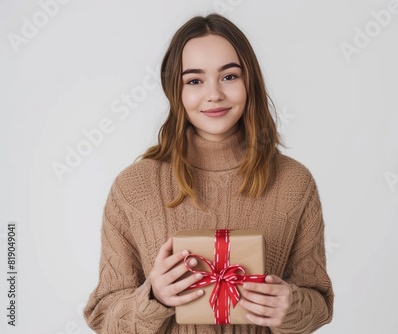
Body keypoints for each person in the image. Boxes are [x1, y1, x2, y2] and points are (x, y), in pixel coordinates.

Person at [84, 13, 333, 333]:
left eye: (229, 76)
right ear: (176, 90)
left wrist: (291, 304)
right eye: (195, 80)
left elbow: (320, 302)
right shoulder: (134, 187)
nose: (214, 94)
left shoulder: (293, 182)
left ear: (249, 81)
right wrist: (154, 297)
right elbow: (103, 315)